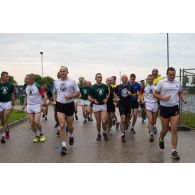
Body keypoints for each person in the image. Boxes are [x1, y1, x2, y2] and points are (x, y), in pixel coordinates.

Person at [153, 67, 187, 160]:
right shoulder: (162, 82)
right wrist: (163, 98)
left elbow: (179, 93)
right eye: (170, 74)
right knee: (164, 130)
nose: (172, 76)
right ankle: (161, 138)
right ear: (167, 74)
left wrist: (183, 99)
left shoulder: (178, 83)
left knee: (174, 129)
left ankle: (174, 151)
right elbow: (154, 94)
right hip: (164, 108)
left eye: (173, 74)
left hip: (174, 108)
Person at [53, 66, 80, 155]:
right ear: (59, 72)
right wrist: (54, 100)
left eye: (64, 71)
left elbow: (78, 94)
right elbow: (54, 92)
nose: (62, 72)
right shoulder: (56, 82)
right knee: (61, 125)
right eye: (61, 71)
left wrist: (70, 96)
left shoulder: (72, 82)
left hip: (69, 105)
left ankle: (71, 136)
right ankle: (64, 146)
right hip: (60, 105)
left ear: (67, 72)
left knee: (70, 127)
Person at [22, 74, 47, 143]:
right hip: (29, 106)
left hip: (37, 106)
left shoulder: (37, 86)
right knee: (32, 123)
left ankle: (41, 134)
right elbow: (26, 96)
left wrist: (43, 104)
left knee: (36, 122)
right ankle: (37, 135)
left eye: (26, 78)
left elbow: (45, 96)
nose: (25, 80)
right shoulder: (26, 86)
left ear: (31, 79)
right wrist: (24, 105)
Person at [88, 73, 109, 141]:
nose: (99, 78)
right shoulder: (92, 87)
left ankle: (104, 132)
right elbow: (88, 97)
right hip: (96, 106)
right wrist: (93, 100)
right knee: (98, 122)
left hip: (103, 105)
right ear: (95, 78)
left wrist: (106, 99)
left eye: (100, 77)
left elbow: (108, 93)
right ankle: (99, 134)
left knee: (104, 121)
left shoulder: (105, 86)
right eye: (98, 77)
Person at [114, 75, 133, 142]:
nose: (124, 79)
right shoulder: (118, 87)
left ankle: (125, 126)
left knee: (126, 120)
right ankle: (122, 135)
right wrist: (116, 98)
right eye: (123, 78)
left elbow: (135, 95)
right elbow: (115, 93)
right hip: (121, 105)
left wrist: (131, 94)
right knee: (123, 118)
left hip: (128, 105)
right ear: (121, 79)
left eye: (126, 78)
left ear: (127, 79)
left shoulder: (130, 86)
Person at [0, 71, 15, 143]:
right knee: (2, 120)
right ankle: (7, 130)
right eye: (6, 76)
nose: (7, 77)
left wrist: (13, 104)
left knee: (5, 118)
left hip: (8, 103)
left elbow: (12, 95)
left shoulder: (10, 85)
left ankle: (3, 136)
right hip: (0, 103)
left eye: (8, 76)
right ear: (2, 77)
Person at [143, 75, 158, 142]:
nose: (150, 80)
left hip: (155, 104)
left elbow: (159, 93)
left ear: (153, 79)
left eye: (151, 79)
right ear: (147, 80)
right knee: (150, 119)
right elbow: (140, 94)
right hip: (148, 104)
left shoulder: (156, 87)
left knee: (154, 121)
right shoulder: (144, 87)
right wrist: (141, 99)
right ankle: (151, 134)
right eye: (149, 79)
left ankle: (150, 127)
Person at [152, 68, 163, 133]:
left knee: (159, 112)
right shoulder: (150, 79)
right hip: (152, 99)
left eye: (154, 71)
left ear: (157, 72)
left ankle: (155, 125)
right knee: (154, 113)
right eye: (152, 71)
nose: (153, 72)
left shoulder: (161, 78)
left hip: (159, 98)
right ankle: (153, 125)